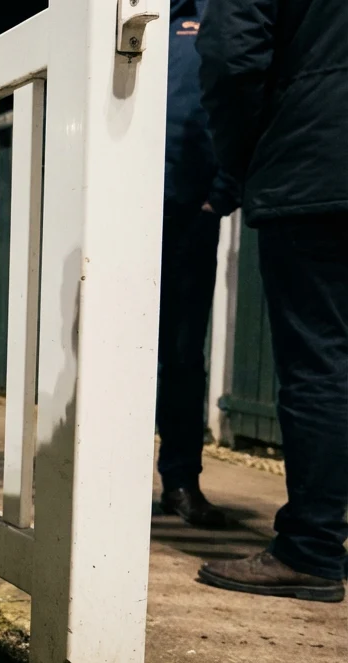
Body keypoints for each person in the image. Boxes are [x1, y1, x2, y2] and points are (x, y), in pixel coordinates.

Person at [196, 0, 347, 602]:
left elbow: (232, 56)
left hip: (322, 162)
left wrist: (240, 160)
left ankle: (310, 550)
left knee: (321, 360)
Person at [155, 0, 240, 528]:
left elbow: (241, 91)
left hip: (189, 210)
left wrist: (222, 192)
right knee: (101, 349)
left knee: (183, 353)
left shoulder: (221, 15)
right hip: (121, 212)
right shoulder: (135, 15)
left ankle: (181, 482)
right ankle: (96, 481)